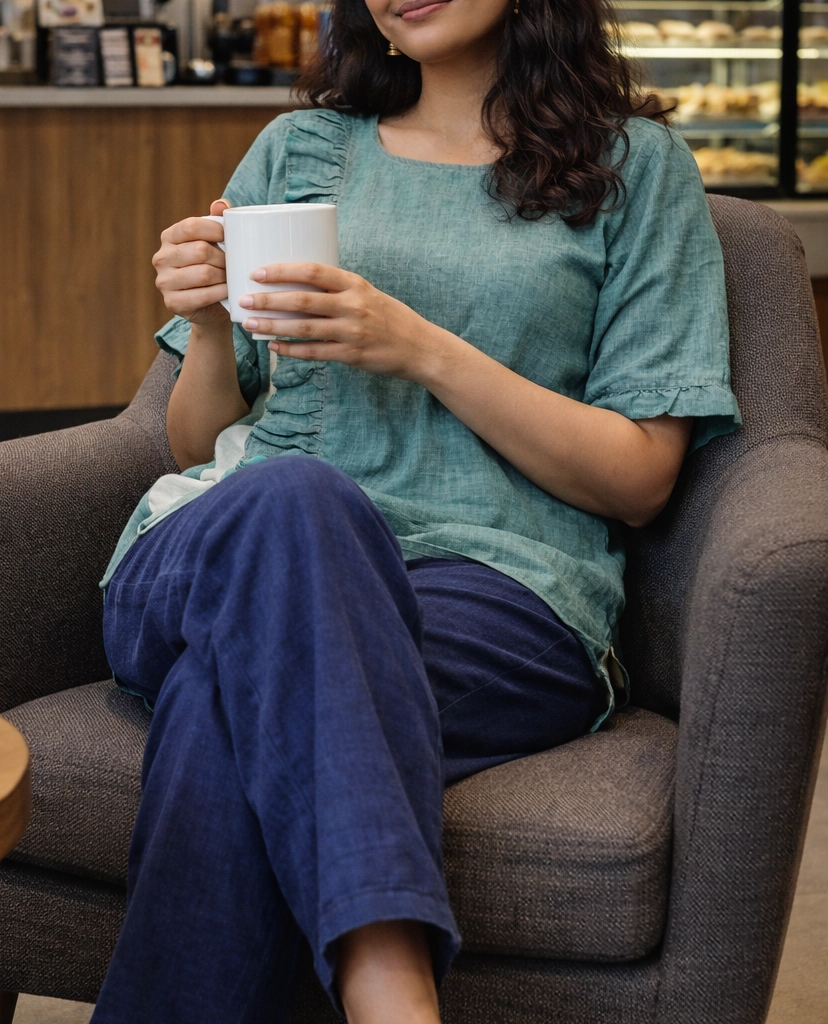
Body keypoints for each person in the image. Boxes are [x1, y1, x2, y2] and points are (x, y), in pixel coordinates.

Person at [91, 0, 741, 1018]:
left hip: (496, 586)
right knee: (298, 497)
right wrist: (208, 328)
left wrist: (419, 348)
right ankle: (390, 985)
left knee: (222, 711)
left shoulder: (636, 169)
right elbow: (191, 439)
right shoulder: (300, 148)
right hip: (224, 547)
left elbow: (639, 476)